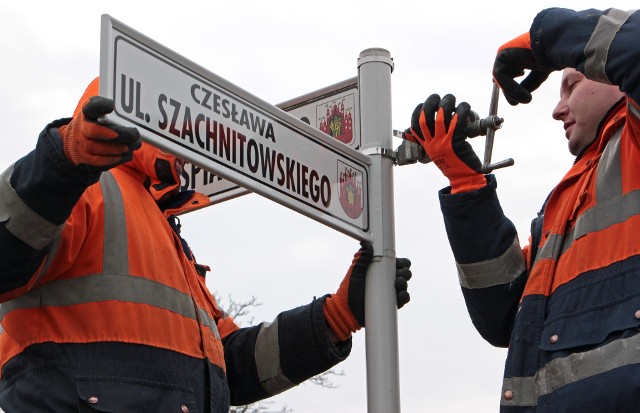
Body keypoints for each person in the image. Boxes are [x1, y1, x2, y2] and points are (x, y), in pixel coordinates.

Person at [0, 77, 412, 412]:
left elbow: (229, 367)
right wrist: (61, 162)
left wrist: (336, 317)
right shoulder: (87, 188)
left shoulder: (165, 232)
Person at [403, 7, 640, 412]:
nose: (557, 108)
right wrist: (467, 187)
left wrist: (540, 41)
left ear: (615, 83)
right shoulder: (566, 201)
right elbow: (504, 316)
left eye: (572, 86)